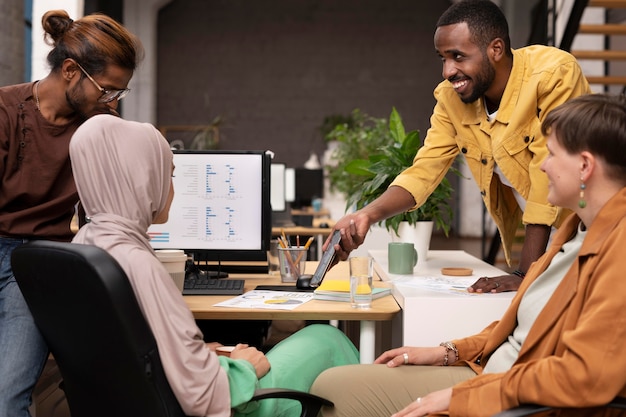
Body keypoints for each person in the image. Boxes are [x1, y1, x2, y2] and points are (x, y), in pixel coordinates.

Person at [311, 93, 626, 416]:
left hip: (515, 399)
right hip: (494, 376)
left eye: (552, 154)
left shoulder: (619, 249)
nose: (542, 165)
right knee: (333, 387)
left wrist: (464, 397)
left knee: (339, 392)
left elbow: (586, 375)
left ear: (585, 166)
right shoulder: (574, 230)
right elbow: (523, 328)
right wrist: (447, 351)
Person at [69, 114, 360, 417]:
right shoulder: (137, 262)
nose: (171, 187)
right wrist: (245, 367)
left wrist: (200, 353)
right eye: (168, 174)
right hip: (223, 399)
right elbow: (201, 392)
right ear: (143, 178)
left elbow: (131, 350)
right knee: (327, 339)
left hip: (133, 399)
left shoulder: (85, 247)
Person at [329, 0, 591, 293]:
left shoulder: (554, 74)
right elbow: (424, 170)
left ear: (496, 49)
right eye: (442, 58)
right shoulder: (450, 98)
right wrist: (366, 215)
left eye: (458, 56)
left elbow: (548, 173)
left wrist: (524, 271)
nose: (447, 71)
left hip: (587, 226)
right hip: (546, 240)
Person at [0, 10, 143, 417]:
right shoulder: (6, 111)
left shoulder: (99, 127)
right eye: (107, 90)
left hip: (38, 262)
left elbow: (113, 211)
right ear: (69, 70)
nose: (111, 101)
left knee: (6, 399)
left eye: (119, 93)